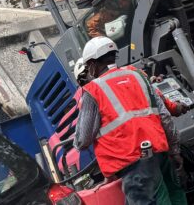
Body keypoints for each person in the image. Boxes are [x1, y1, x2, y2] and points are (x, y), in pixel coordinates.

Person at [73, 36, 187, 205]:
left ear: (92, 64)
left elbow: (83, 140)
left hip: (134, 165)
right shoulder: (138, 75)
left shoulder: (92, 91)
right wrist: (174, 150)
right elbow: (164, 116)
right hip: (160, 154)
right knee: (175, 197)